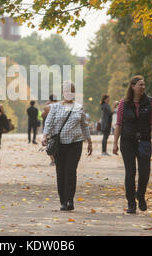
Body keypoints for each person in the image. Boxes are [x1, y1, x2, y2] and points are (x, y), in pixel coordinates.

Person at [42, 81, 93, 211]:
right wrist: (44, 136)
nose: (68, 93)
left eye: (71, 90)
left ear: (74, 93)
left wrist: (89, 141)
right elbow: (48, 122)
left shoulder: (79, 107)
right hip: (59, 145)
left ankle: (70, 200)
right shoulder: (55, 107)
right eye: (66, 91)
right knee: (61, 171)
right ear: (62, 93)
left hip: (75, 144)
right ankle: (62, 201)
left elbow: (84, 125)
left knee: (71, 171)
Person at [113, 75, 152, 214]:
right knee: (130, 172)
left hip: (144, 140)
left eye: (144, 85)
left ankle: (140, 194)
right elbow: (119, 124)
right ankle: (131, 203)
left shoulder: (149, 102)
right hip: (127, 141)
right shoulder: (124, 103)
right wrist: (115, 143)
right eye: (140, 85)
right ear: (132, 86)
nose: (143, 87)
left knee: (145, 172)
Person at [42, 94, 58, 166]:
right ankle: (58, 159)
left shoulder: (47, 107)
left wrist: (46, 104)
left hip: (50, 128)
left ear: (49, 99)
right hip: (58, 127)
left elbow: (43, 115)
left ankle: (53, 160)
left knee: (49, 143)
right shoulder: (60, 105)